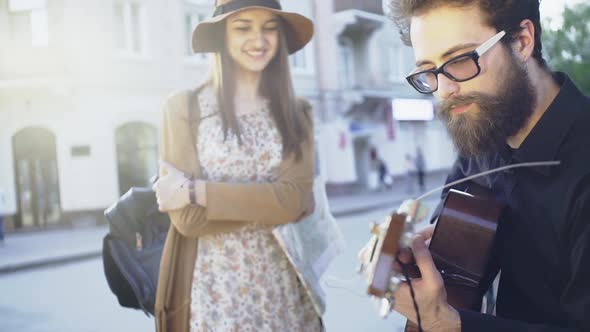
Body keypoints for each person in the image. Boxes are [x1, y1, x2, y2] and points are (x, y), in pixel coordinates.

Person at [381, 0, 590, 331]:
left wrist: (445, 323)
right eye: (428, 71)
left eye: (461, 60)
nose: (445, 91)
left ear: (522, 41)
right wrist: (405, 258)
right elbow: (449, 238)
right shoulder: (484, 130)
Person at [151, 1, 321, 331]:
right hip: (214, 298)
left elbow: (293, 201)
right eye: (243, 27)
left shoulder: (298, 113)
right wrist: (272, 203)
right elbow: (187, 220)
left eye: (269, 27)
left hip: (286, 293)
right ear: (221, 35)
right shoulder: (183, 108)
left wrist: (195, 191)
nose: (259, 40)